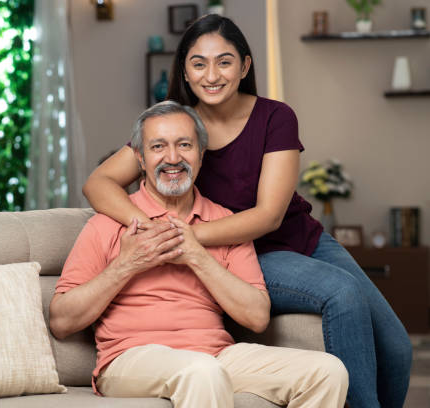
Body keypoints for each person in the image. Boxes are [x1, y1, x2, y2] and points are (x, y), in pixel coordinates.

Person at [81, 14, 411, 408]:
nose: (212, 75)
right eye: (198, 63)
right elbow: (98, 183)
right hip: (252, 254)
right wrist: (153, 227)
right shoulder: (179, 129)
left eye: (224, 61)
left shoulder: (275, 117)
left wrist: (182, 236)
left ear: (245, 66)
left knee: (398, 348)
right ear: (184, 71)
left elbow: (268, 216)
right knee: (342, 293)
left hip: (299, 239)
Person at [51, 101, 348, 408]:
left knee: (327, 371)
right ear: (140, 157)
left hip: (215, 356)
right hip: (131, 358)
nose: (173, 158)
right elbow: (61, 320)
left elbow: (257, 317)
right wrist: (126, 265)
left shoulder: (224, 224)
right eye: (158, 147)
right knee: (202, 372)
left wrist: (196, 255)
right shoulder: (108, 223)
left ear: (201, 155)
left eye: (184, 145)